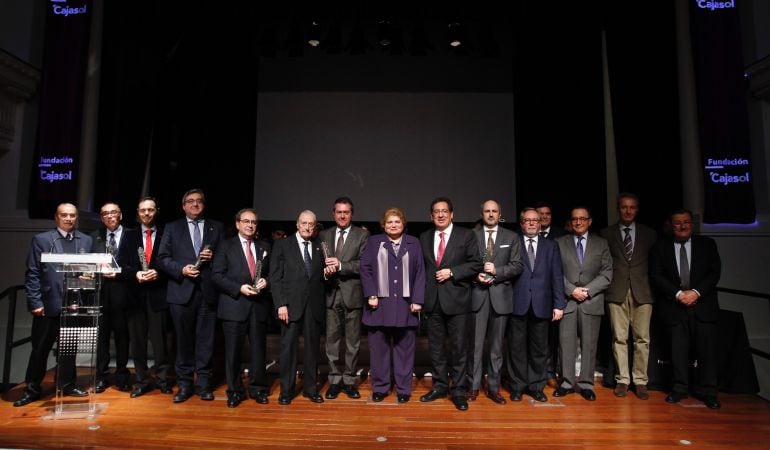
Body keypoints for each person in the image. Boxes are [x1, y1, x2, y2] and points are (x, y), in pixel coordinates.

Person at [14, 203, 92, 407]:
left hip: (73, 306)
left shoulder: (86, 240)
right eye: (64, 215)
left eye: (72, 215)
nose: (69, 219)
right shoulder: (41, 239)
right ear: (56, 217)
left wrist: (88, 277)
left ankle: (67, 384)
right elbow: (32, 273)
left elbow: (88, 271)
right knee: (40, 349)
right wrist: (35, 302)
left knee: (69, 350)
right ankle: (31, 389)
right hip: (47, 305)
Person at [650, 209, 722, 409]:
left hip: (703, 305)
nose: (682, 226)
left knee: (706, 352)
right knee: (677, 351)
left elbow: (714, 273)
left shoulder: (707, 245)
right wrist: (678, 294)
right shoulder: (660, 247)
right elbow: (656, 275)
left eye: (686, 222)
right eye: (678, 223)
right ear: (671, 226)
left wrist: (696, 293)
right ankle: (679, 388)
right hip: (674, 306)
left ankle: (708, 391)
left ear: (692, 224)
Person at [157, 189, 224, 403]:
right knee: (183, 341)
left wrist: (213, 257)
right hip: (181, 290)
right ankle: (184, 385)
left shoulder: (217, 227)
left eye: (199, 201)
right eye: (190, 201)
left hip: (207, 292)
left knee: (206, 341)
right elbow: (162, 258)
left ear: (204, 205)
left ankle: (203, 384)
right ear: (183, 206)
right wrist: (181, 270)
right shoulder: (172, 227)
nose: (195, 205)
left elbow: (227, 258)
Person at [419, 197, 482, 411]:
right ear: (431, 215)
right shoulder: (424, 237)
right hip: (433, 302)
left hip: (458, 302)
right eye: (436, 211)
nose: (440, 214)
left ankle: (458, 391)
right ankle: (440, 386)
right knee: (436, 348)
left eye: (444, 211)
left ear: (452, 214)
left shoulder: (466, 234)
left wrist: (453, 272)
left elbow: (476, 264)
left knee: (458, 349)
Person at [360, 207, 425, 403]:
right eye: (389, 222)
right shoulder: (374, 242)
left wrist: (417, 299)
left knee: (404, 350)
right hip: (379, 305)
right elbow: (365, 268)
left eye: (397, 222)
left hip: (405, 306)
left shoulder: (414, 243)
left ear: (403, 224)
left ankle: (403, 389)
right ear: (384, 225)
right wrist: (371, 294)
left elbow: (420, 272)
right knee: (379, 351)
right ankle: (380, 387)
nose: (393, 225)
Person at [599, 193, 657, 400]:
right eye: (624, 207)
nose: (628, 211)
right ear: (618, 209)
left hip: (643, 291)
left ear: (637, 209)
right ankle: (622, 379)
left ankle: (640, 381)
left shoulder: (649, 234)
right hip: (617, 291)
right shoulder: (607, 233)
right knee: (619, 338)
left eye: (632, 207)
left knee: (642, 338)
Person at [212, 208, 271, 407]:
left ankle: (259, 389)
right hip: (234, 305)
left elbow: (272, 274)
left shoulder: (264, 246)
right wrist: (239, 288)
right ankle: (235, 391)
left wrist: (266, 281)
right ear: (237, 224)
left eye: (253, 222)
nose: (250, 225)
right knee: (233, 353)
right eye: (246, 221)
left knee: (258, 352)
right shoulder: (225, 246)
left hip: (258, 307)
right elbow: (217, 275)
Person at [269, 210, 328, 405]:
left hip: (313, 306)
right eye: (304, 223)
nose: (307, 227)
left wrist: (329, 273)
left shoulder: (320, 246)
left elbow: (321, 278)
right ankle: (286, 390)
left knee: (312, 350)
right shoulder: (282, 245)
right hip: (290, 306)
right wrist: (281, 304)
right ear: (297, 224)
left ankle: (310, 389)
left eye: (311, 224)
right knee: (288, 350)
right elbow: (275, 277)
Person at [507, 207, 565, 402]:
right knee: (516, 348)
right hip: (517, 303)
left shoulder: (551, 246)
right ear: (521, 223)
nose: (531, 223)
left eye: (535, 220)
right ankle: (517, 386)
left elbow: (557, 276)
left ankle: (536, 386)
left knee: (539, 349)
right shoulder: (513, 242)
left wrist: (559, 304)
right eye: (527, 220)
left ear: (540, 223)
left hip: (542, 304)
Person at [467, 200, 523, 404]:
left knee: (497, 347)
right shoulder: (471, 235)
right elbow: (465, 263)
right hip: (478, 296)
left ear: (500, 214)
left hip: (501, 297)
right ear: (481, 214)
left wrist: (497, 271)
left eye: (494, 211)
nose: (490, 214)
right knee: (475, 345)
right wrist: (475, 276)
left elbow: (517, 266)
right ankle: (473, 387)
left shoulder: (511, 237)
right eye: (487, 211)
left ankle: (493, 387)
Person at [554, 207, 612, 401]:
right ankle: (566, 383)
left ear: (590, 221)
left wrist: (587, 291)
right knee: (566, 344)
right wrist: (571, 290)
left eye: (582, 219)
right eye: (574, 219)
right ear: (570, 222)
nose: (578, 222)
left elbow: (607, 273)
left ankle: (586, 384)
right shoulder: (559, 243)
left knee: (589, 344)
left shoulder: (601, 243)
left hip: (592, 301)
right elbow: (555, 273)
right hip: (568, 301)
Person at [319, 197, 370, 400]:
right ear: (333, 213)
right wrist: (325, 271)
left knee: (352, 343)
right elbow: (318, 264)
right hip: (331, 294)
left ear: (352, 214)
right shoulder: (323, 235)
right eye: (339, 212)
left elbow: (364, 265)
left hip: (353, 295)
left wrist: (340, 265)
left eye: (346, 212)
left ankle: (349, 381)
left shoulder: (362, 235)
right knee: (331, 342)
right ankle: (334, 381)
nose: (342, 215)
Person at [124, 196, 174, 397]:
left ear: (157, 211)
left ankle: (162, 380)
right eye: (143, 210)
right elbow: (122, 265)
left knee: (161, 342)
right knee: (137, 342)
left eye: (150, 210)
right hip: (135, 296)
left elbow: (172, 262)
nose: (146, 213)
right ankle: (142, 381)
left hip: (158, 294)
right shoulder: (129, 236)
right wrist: (135, 273)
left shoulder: (166, 234)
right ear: (138, 212)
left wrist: (159, 273)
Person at [91, 202, 135, 393]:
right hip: (100, 294)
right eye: (106, 214)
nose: (110, 216)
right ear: (102, 218)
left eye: (114, 212)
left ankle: (122, 375)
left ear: (120, 215)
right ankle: (101, 376)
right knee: (101, 338)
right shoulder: (95, 237)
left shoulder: (132, 236)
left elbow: (137, 265)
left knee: (122, 336)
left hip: (124, 293)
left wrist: (119, 273)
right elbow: (88, 263)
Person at [533, 200, 564, 388]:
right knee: (534, 341)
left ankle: (550, 371)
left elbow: (559, 271)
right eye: (540, 214)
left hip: (550, 296)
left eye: (547, 214)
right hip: (530, 298)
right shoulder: (521, 237)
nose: (543, 217)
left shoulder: (560, 236)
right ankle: (534, 373)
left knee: (551, 340)